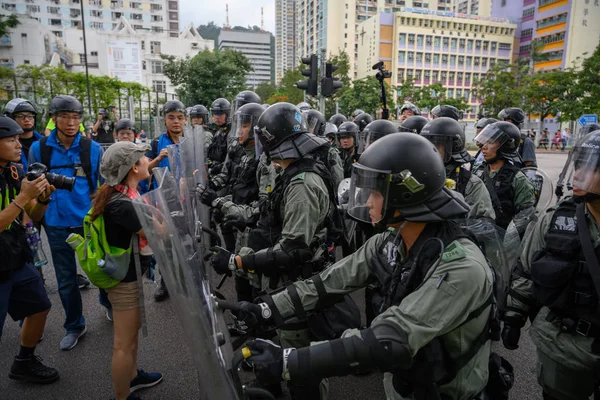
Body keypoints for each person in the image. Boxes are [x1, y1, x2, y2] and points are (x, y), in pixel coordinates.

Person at [237, 133, 495, 400]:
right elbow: (327, 283)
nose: (367, 201)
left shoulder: (463, 267)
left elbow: (392, 338)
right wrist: (266, 309)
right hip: (407, 385)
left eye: (375, 191)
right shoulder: (390, 242)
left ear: (403, 193)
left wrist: (289, 361)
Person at [208, 102, 336, 399]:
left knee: (302, 372)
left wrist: (237, 261)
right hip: (286, 285)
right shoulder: (291, 173)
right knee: (283, 358)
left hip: (297, 286)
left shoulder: (303, 184)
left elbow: (292, 250)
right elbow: (265, 214)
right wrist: (225, 206)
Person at [503, 129, 600, 400]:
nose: (579, 174)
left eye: (591, 167)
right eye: (578, 165)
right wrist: (514, 315)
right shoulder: (554, 219)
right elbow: (526, 268)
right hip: (564, 346)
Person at [29, 95, 104, 350]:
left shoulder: (92, 149)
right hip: (56, 223)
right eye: (64, 116)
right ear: (53, 118)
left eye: (76, 117)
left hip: (87, 222)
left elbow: (101, 186)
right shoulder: (39, 149)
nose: (71, 122)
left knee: (102, 269)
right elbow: (32, 187)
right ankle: (74, 325)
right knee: (66, 279)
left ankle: (108, 303)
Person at [96, 141, 163, 400]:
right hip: (123, 282)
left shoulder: (125, 193)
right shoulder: (122, 204)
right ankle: (122, 395)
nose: (148, 161)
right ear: (133, 167)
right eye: (144, 158)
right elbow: (157, 234)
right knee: (123, 344)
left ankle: (133, 377)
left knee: (132, 332)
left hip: (131, 275)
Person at [0, 116, 59, 384]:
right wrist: (23, 196)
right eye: (10, 139)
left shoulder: (12, 171)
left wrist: (43, 199)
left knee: (40, 306)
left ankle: (24, 361)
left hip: (14, 257)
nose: (18, 143)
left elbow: (29, 215)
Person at [146, 100, 187, 301]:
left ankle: (186, 281)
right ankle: (166, 283)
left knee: (187, 243)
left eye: (180, 117)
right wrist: (157, 160)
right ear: (164, 120)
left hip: (186, 200)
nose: (176, 122)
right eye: (171, 117)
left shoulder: (192, 142)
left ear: (186, 120)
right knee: (166, 245)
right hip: (162, 200)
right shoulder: (155, 144)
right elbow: (144, 171)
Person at [420, 117, 495, 221]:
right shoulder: (417, 178)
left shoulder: (471, 183)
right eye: (427, 144)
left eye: (436, 145)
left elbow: (483, 225)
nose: (430, 150)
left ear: (453, 147)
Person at [472, 121, 536, 230]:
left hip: (502, 239)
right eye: (484, 141)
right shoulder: (478, 172)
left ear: (506, 145)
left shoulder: (517, 179)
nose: (484, 147)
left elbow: (525, 217)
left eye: (490, 142)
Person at [3, 98, 43, 172]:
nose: (27, 119)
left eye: (30, 116)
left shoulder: (44, 143)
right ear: (11, 118)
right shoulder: (5, 145)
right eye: (20, 116)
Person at [206, 98, 232, 178]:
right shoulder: (218, 132)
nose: (216, 117)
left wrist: (217, 168)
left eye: (220, 114)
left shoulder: (232, 133)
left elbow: (231, 160)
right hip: (213, 173)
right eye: (214, 113)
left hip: (224, 176)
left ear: (227, 114)